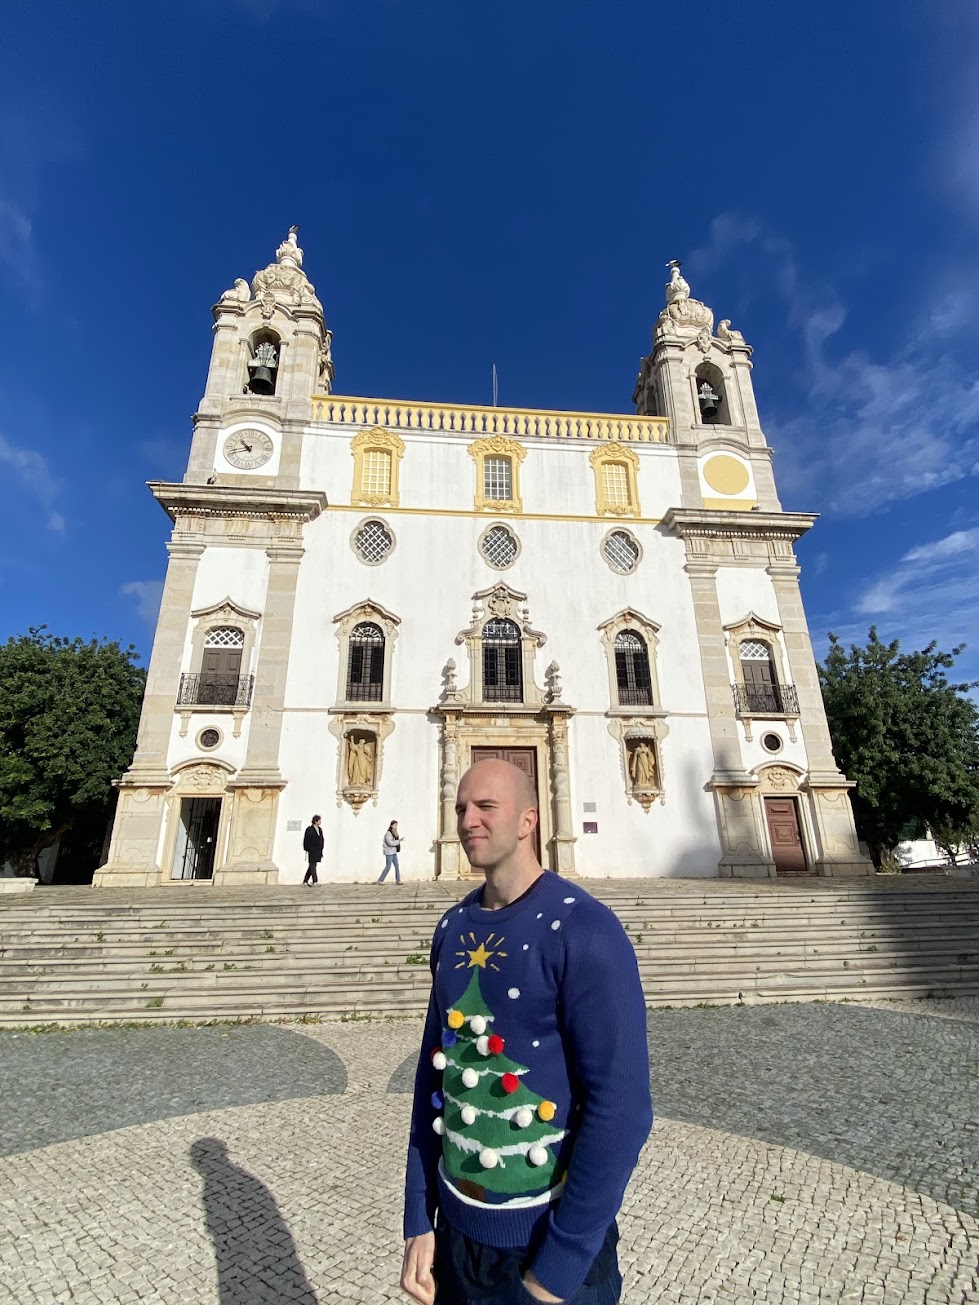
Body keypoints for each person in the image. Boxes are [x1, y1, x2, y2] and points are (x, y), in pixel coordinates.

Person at [400, 759, 652, 1305]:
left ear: (528, 820)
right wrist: (419, 1216)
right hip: (457, 1244)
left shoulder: (586, 930)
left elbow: (623, 1107)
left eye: (486, 806)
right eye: (462, 806)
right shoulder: (452, 928)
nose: (468, 819)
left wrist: (556, 1269)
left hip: (546, 1252)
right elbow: (433, 1078)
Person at [378, 820, 403, 884]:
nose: (396, 827)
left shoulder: (394, 833)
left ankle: (398, 880)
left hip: (393, 851)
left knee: (397, 865)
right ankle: (380, 880)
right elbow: (390, 843)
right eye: (395, 825)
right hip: (389, 852)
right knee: (388, 866)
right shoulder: (388, 833)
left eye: (396, 825)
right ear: (391, 825)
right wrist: (399, 841)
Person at [302, 815, 324, 886]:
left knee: (312, 866)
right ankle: (315, 881)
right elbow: (306, 839)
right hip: (312, 850)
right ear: (315, 821)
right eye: (319, 820)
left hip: (318, 850)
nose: (320, 822)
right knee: (313, 865)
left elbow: (321, 839)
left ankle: (305, 881)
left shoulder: (320, 829)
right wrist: (307, 848)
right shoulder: (310, 829)